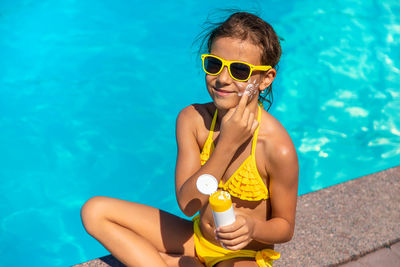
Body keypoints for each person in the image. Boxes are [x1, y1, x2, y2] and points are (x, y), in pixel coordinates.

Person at [81, 11, 299, 267]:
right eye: (214, 64)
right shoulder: (193, 120)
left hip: (243, 255)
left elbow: (284, 227)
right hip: (195, 238)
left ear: (265, 79)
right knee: (95, 212)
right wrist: (226, 145)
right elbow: (187, 205)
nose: (223, 79)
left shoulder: (276, 147)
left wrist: (253, 228)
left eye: (240, 71)